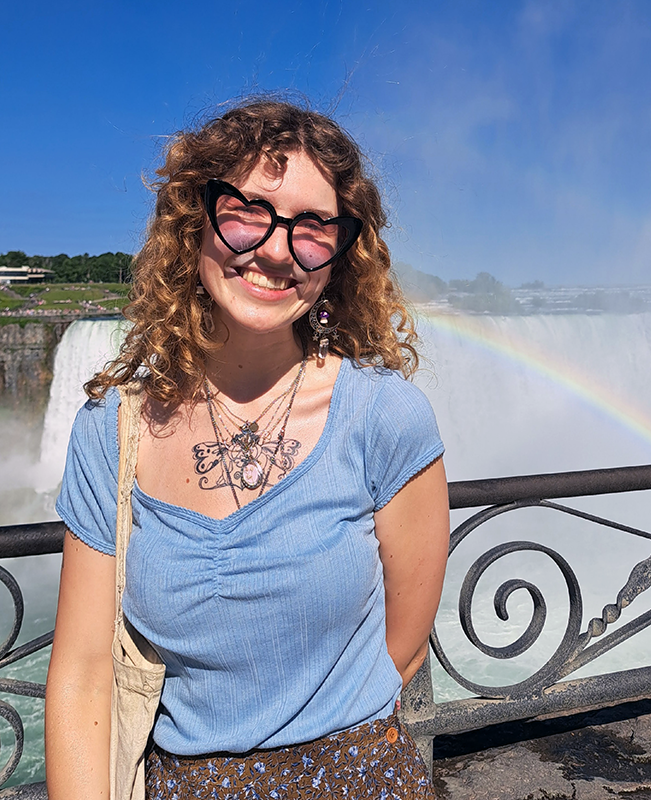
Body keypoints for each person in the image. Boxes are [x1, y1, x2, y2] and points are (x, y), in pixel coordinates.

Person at [45, 98, 450, 800]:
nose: (273, 249)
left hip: (356, 780)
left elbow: (404, 648)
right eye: (247, 211)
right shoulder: (112, 429)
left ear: (340, 255)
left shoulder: (385, 417)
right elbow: (82, 677)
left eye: (313, 229)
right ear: (195, 216)